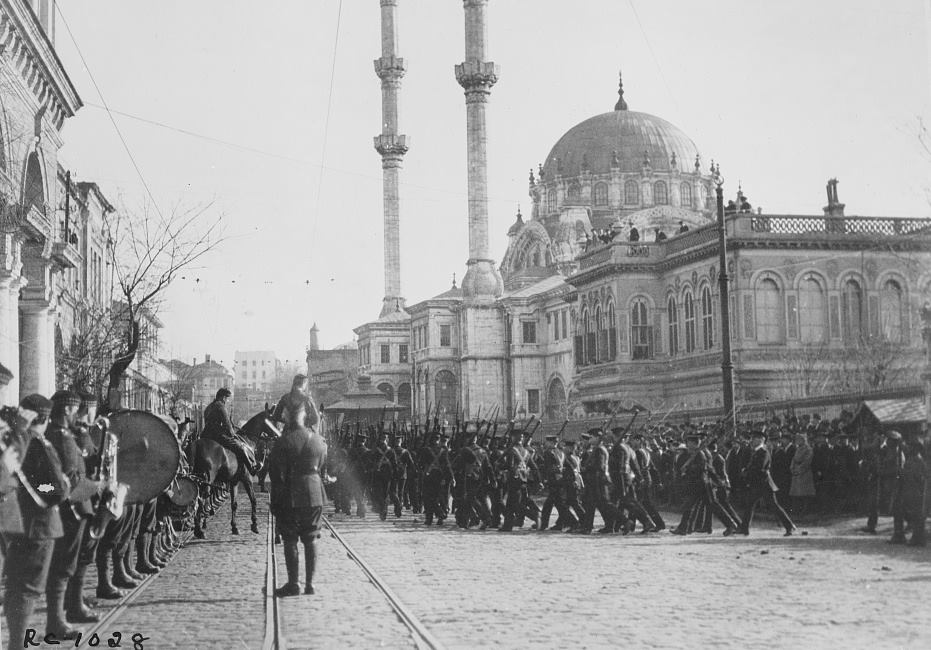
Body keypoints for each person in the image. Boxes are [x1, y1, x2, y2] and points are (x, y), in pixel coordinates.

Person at [3, 395, 70, 648]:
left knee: (16, 585)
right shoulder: (39, 443)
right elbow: (53, 487)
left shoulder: (18, 440)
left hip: (19, 522)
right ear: (45, 418)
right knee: (28, 588)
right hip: (40, 524)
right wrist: (61, 484)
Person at [268, 399, 329, 596]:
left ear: (288, 416)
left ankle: (294, 583)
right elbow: (321, 467)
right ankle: (310, 584)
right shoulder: (318, 440)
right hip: (314, 494)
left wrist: (275, 502)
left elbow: (276, 475)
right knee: (311, 538)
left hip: (290, 494)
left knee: (290, 539)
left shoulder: (283, 442)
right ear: (304, 416)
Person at [738, 430, 796, 536]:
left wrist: (746, 472)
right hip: (758, 483)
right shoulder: (757, 451)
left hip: (764, 484)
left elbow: (760, 467)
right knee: (750, 505)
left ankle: (789, 526)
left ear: (761, 440)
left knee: (774, 506)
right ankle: (744, 528)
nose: (752, 440)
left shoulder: (764, 452)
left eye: (755, 438)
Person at [202, 388, 258, 473]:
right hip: (217, 436)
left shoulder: (209, 407)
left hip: (205, 435)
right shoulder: (220, 406)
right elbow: (227, 424)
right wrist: (233, 434)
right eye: (226, 398)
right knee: (241, 447)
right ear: (223, 397)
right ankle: (251, 468)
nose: (227, 401)